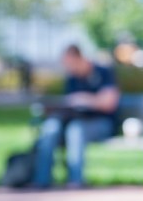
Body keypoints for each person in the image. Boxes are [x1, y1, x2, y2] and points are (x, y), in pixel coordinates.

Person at [32, 44, 120, 188]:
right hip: (74, 121)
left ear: (79, 58)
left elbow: (110, 103)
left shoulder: (103, 73)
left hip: (101, 123)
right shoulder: (72, 79)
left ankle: (75, 182)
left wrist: (85, 99)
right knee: (50, 128)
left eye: (70, 63)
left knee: (75, 130)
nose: (69, 68)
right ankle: (41, 181)